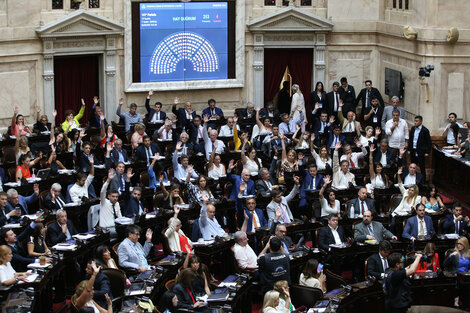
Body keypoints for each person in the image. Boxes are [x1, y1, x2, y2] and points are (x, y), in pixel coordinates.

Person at [408, 115, 431, 181]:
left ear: (421, 122)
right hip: (413, 150)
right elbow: (411, 139)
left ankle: (423, 180)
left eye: (417, 121)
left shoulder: (425, 130)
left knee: (421, 166)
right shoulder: (413, 129)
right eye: (414, 121)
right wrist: (409, 149)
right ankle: (412, 179)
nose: (415, 122)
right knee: (413, 165)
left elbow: (428, 142)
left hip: (421, 151)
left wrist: (427, 152)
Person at [99, 170, 122, 235]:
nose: (115, 198)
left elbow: (120, 217)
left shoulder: (117, 203)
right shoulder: (104, 202)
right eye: (113, 196)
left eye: (117, 197)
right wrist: (108, 179)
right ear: (108, 196)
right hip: (106, 229)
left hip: (116, 226)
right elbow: (103, 191)